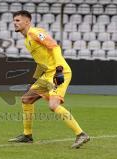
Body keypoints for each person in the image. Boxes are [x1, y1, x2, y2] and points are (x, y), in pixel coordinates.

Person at [8, 10, 90, 149]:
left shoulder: (34, 33)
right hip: (47, 74)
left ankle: (81, 134)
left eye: (18, 20)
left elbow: (54, 47)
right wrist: (34, 80)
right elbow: (41, 62)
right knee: (26, 99)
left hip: (59, 72)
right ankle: (27, 135)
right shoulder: (27, 40)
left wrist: (58, 69)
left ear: (27, 21)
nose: (14, 23)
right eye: (14, 21)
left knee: (53, 105)